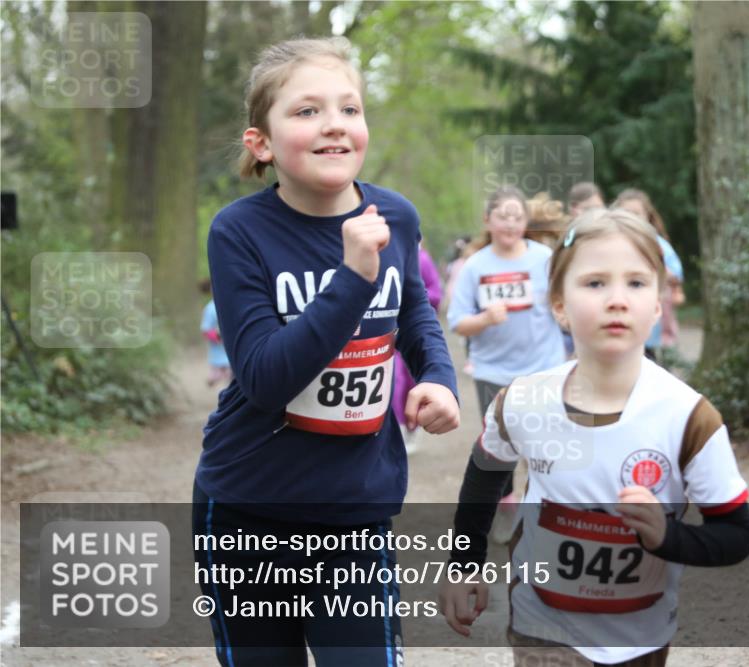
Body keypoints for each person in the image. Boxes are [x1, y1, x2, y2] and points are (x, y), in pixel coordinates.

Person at [191, 37, 459, 667]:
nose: (334, 123)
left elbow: (415, 310)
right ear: (261, 143)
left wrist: (439, 377)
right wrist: (351, 278)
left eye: (349, 108)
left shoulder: (396, 214)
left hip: (354, 510)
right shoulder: (239, 231)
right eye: (307, 111)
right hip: (248, 511)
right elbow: (262, 377)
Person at [440, 209, 749, 666]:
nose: (617, 299)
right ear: (560, 305)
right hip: (542, 628)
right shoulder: (523, 402)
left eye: (636, 283)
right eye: (594, 283)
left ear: (658, 304)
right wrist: (464, 564)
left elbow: (736, 535)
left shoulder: (689, 417)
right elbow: (485, 475)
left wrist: (668, 537)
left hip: (640, 638)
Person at [447, 186, 567, 544]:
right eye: (503, 216)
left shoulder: (544, 259)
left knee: (545, 441)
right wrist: (484, 319)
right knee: (501, 446)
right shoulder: (476, 266)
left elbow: (564, 302)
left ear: (526, 221)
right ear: (488, 220)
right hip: (493, 372)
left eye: (517, 216)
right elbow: (457, 321)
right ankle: (506, 510)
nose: (511, 223)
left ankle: (544, 508)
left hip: (544, 367)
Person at [612, 189, 686, 353]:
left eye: (637, 213)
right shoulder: (609, 243)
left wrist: (654, 271)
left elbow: (676, 275)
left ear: (647, 216)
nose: (631, 218)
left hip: (652, 321)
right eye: (626, 213)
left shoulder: (658, 244)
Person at [391, 241, 443, 453]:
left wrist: (411, 293)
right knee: (394, 379)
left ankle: (412, 426)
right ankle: (395, 429)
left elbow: (437, 294)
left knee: (412, 381)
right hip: (386, 333)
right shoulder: (382, 256)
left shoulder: (422, 259)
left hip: (412, 332)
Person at [199, 278, 232, 387]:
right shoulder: (210, 308)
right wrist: (217, 336)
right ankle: (214, 377)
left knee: (230, 372)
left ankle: (222, 381)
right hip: (218, 347)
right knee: (219, 368)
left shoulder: (230, 305)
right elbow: (205, 329)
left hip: (230, 347)